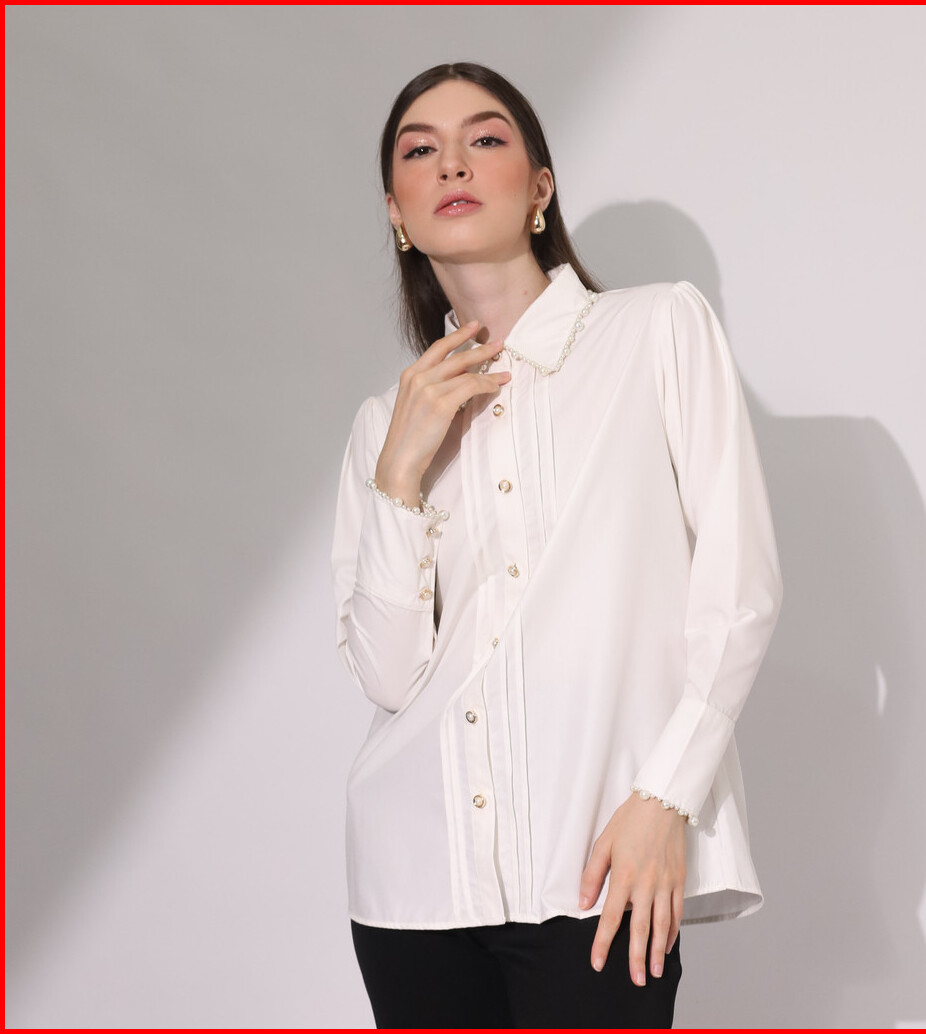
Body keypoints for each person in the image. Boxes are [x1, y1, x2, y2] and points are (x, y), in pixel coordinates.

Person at [331, 62, 782, 1029]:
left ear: (540, 187)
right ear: (397, 213)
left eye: (485, 139)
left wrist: (666, 798)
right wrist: (400, 472)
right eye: (420, 150)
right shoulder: (383, 423)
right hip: (414, 887)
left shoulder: (657, 330)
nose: (453, 163)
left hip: (599, 866)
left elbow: (740, 591)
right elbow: (388, 675)